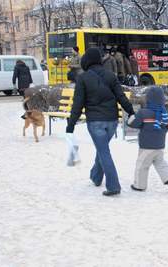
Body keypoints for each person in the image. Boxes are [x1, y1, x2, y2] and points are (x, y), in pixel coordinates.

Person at [66, 47, 135, 197]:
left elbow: (77, 104)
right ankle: (96, 177)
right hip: (111, 122)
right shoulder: (110, 75)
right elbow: (121, 96)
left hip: (95, 122)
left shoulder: (83, 78)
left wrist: (71, 124)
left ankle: (113, 185)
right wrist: (131, 111)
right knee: (102, 149)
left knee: (103, 151)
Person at [127, 86, 168, 193]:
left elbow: (132, 123)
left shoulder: (143, 113)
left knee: (142, 165)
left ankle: (139, 185)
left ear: (148, 99)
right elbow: (167, 127)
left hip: (146, 147)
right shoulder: (164, 114)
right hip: (159, 146)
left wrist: (130, 117)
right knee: (160, 163)